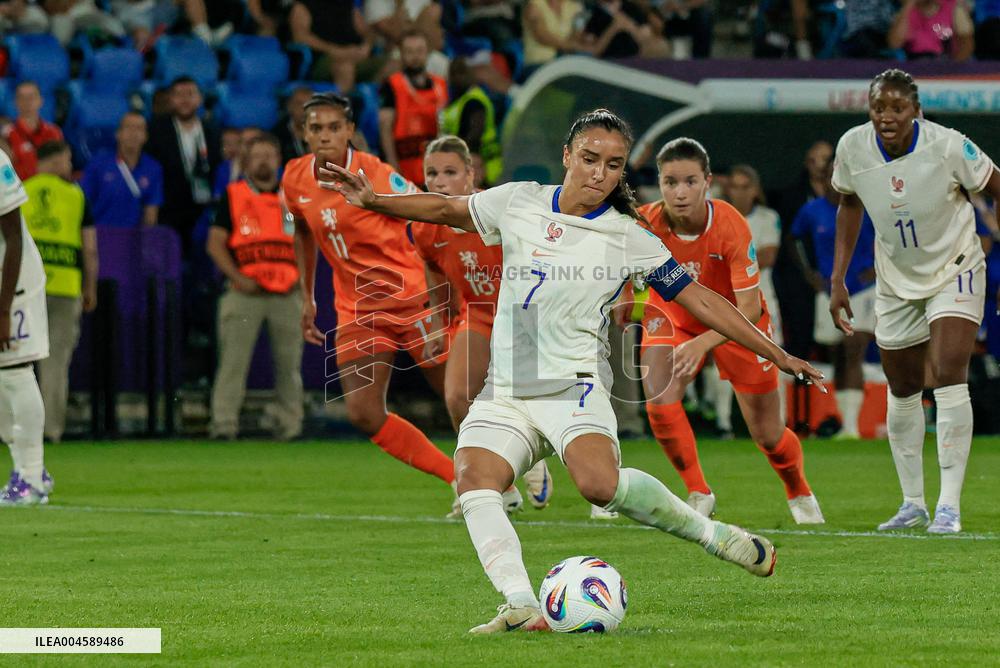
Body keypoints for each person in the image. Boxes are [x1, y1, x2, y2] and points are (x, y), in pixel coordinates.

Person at [321, 108, 825, 632]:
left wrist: (777, 351)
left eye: (612, 164)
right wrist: (375, 198)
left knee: (598, 487)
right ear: (567, 156)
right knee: (473, 481)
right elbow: (448, 208)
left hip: (573, 389)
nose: (599, 173)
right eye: (589, 159)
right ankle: (519, 603)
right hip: (507, 392)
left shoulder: (626, 236)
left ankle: (714, 536)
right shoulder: (519, 201)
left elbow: (699, 298)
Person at [830, 68, 1000, 533]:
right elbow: (848, 202)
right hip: (896, 278)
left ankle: (948, 506)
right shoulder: (852, 147)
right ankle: (912, 503)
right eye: (878, 107)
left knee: (948, 374)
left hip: (956, 266)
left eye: (897, 108)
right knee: (902, 386)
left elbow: (996, 184)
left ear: (915, 110)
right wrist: (838, 277)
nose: (887, 116)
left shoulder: (947, 145)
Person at [626, 138, 823, 524]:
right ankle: (698, 493)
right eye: (670, 182)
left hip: (737, 324)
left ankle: (798, 488)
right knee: (660, 404)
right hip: (674, 319)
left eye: (690, 182)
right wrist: (623, 298)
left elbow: (748, 306)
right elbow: (619, 262)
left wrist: (703, 343)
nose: (679, 192)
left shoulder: (730, 224)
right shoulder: (644, 222)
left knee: (767, 435)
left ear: (708, 182)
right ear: (660, 184)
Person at [282, 93, 457, 512]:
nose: (325, 136)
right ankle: (459, 479)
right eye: (316, 128)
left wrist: (439, 295)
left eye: (333, 127)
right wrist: (307, 297)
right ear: (303, 133)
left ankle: (512, 470)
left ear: (349, 131)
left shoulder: (374, 172)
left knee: (459, 398)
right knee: (362, 412)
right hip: (359, 309)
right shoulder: (294, 178)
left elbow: (423, 213)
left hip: (410, 297)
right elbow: (303, 231)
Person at [410, 135, 552, 514]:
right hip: (475, 313)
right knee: (458, 396)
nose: (439, 182)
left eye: (450, 172)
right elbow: (433, 269)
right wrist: (439, 325)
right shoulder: (425, 227)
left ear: (471, 174)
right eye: (432, 174)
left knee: (526, 396)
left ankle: (534, 457)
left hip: (523, 313)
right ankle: (495, 486)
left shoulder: (501, 211)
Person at [207, 134, 304, 441]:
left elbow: (307, 242)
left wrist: (303, 277)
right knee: (233, 363)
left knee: (289, 366)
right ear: (247, 162)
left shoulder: (292, 198)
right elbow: (215, 243)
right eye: (258, 155)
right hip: (245, 292)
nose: (264, 160)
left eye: (269, 155)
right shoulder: (233, 194)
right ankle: (223, 424)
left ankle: (290, 425)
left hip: (287, 292)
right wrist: (236, 276)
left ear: (278, 161)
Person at [792, 157, 876, 439]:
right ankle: (844, 421)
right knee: (837, 354)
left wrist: (876, 268)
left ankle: (852, 426)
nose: (834, 181)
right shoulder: (812, 211)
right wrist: (807, 273)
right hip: (828, 290)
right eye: (830, 175)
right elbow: (793, 239)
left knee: (854, 348)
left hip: (862, 289)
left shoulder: (866, 205)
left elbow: (889, 237)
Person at [22, 140, 97, 443]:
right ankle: (50, 430)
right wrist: (89, 287)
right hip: (65, 288)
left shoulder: (20, 191)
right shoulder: (76, 196)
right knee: (55, 364)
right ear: (56, 161)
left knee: (17, 364)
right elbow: (90, 248)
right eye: (67, 160)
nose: (69, 167)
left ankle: (14, 430)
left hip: (24, 287)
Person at [0, 146, 52, 505]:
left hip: (12, 281)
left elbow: (14, 236)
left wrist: (4, 310)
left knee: (15, 370)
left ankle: (33, 475)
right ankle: (24, 470)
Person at [720, 163, 784, 437]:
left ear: (755, 190)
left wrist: (732, 263)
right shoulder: (718, 218)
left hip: (762, 299)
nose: (740, 192)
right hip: (725, 298)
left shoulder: (768, 218)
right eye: (735, 186)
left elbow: (769, 256)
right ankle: (723, 423)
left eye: (745, 186)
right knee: (720, 358)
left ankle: (780, 422)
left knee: (773, 356)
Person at [146, 76, 222, 251]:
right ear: (170, 99)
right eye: (178, 94)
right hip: (168, 209)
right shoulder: (156, 130)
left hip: (203, 208)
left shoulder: (212, 130)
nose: (185, 99)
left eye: (190, 94)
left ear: (200, 99)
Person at [378, 30, 447, 187]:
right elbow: (385, 128)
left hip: (435, 166)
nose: (415, 57)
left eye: (419, 51)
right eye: (409, 52)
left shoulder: (440, 85)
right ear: (401, 54)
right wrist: (392, 165)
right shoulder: (391, 85)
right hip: (404, 165)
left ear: (428, 52)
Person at [79, 112, 163, 228]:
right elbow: (83, 203)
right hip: (100, 235)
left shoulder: (153, 168)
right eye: (128, 128)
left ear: (145, 136)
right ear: (118, 134)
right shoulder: (98, 164)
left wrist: (146, 242)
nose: (133, 134)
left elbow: (151, 214)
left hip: (134, 239)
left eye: (139, 129)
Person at [440, 58, 503, 187]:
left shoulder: (474, 101)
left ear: (471, 75)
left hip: (482, 167)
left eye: (462, 72)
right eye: (454, 73)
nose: (458, 77)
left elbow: (474, 135)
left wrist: (468, 163)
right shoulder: (458, 101)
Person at [289, 0, 372, 93]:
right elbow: (300, 37)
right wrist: (333, 50)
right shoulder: (303, 5)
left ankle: (376, 102)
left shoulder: (347, 3)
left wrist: (366, 46)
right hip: (322, 58)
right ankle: (341, 104)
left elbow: (365, 31)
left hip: (354, 54)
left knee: (390, 65)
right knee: (345, 67)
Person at [2, 82, 62, 181]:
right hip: (21, 190)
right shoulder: (6, 135)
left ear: (40, 101)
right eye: (22, 98)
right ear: (15, 102)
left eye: (31, 97)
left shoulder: (54, 132)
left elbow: (60, 166)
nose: (27, 103)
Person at [887, 0, 974, 61]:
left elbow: (966, 44)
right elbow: (894, 44)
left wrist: (953, 68)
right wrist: (908, 5)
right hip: (914, 64)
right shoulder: (908, 11)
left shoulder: (954, 9)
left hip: (946, 63)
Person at [274, 86, 312, 165]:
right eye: (299, 104)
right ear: (290, 106)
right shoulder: (277, 135)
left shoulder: (326, 134)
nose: (304, 109)